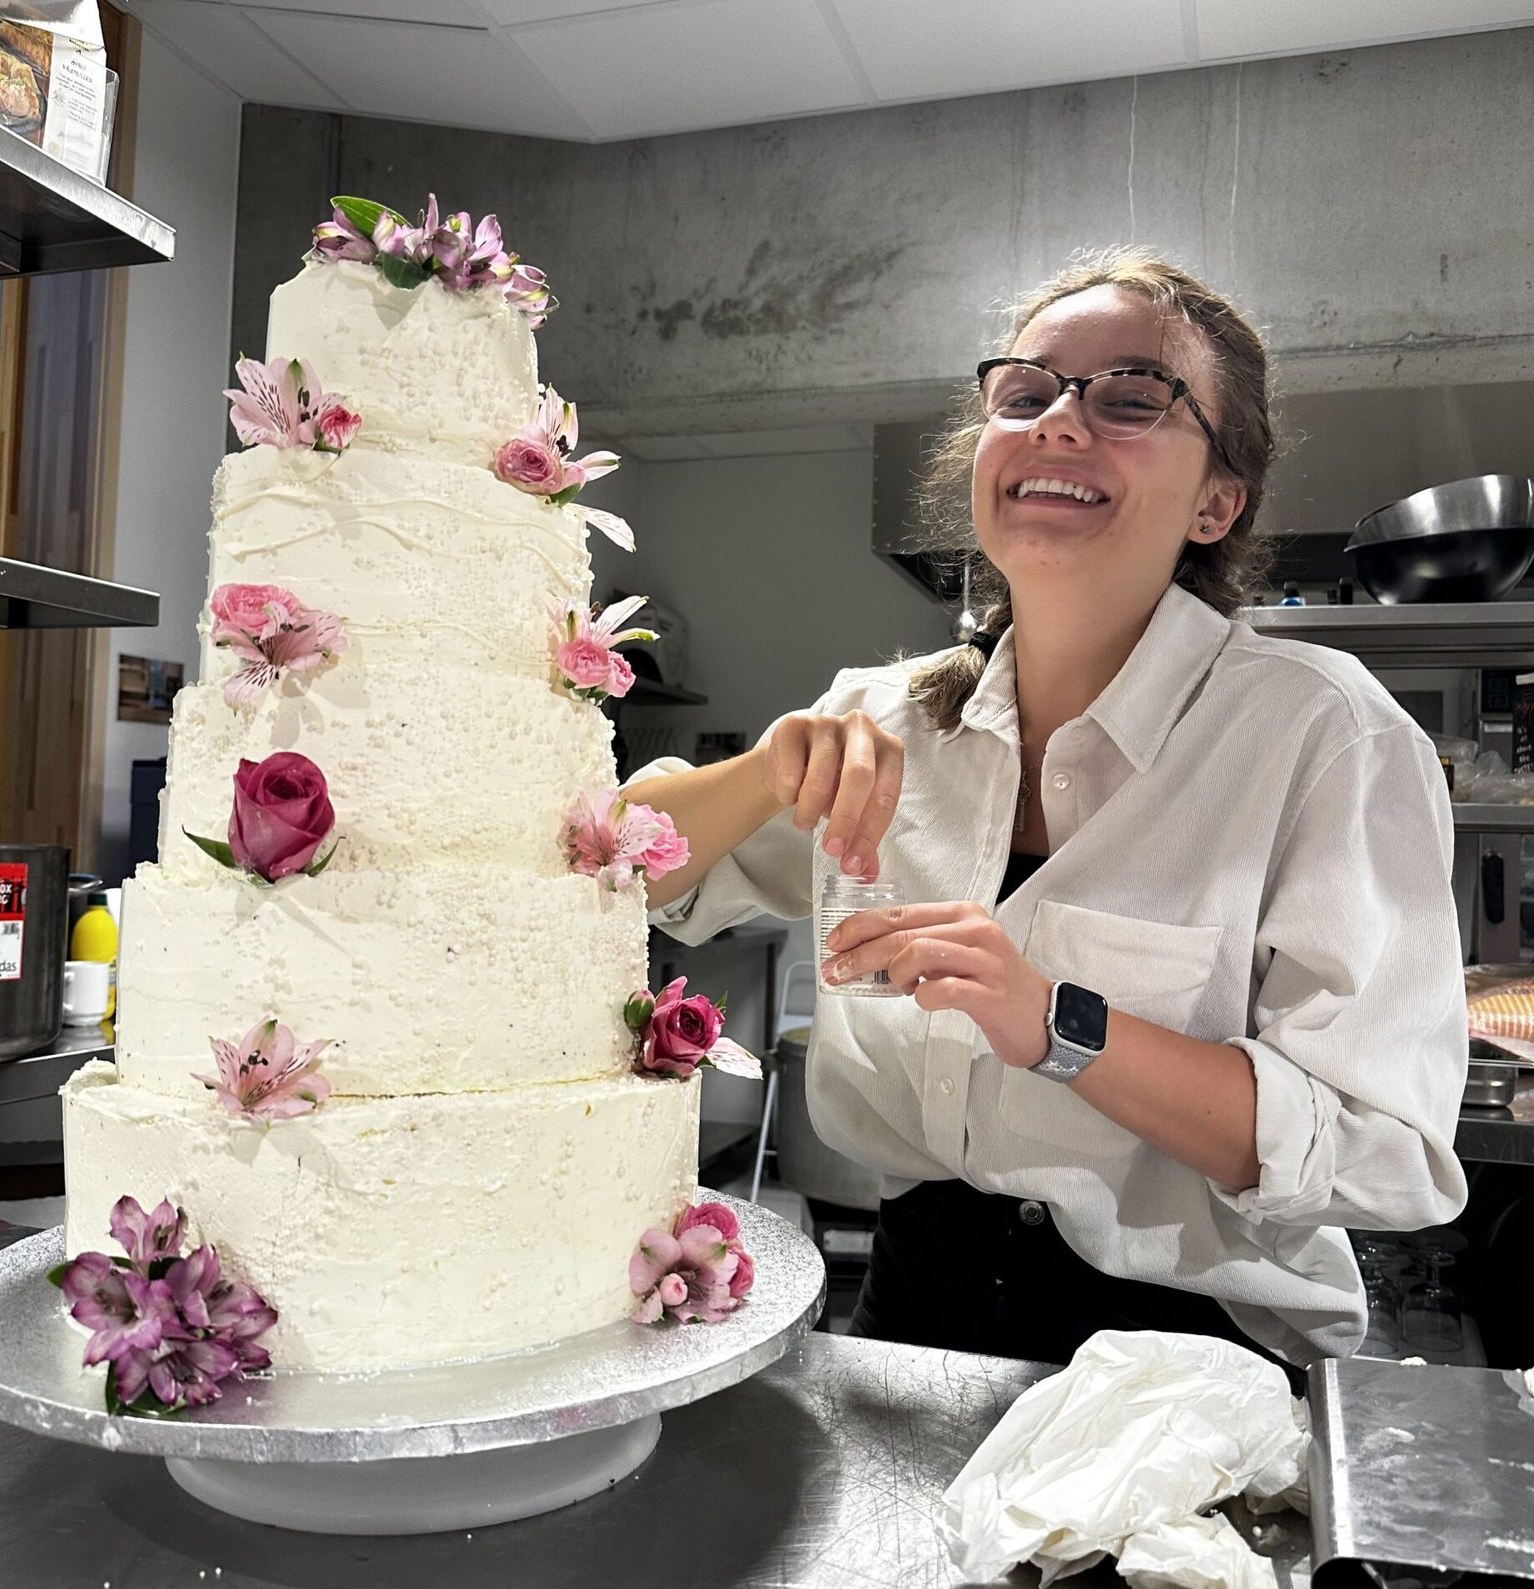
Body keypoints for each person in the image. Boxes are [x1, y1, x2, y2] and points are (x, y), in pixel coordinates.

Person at [622, 248, 1468, 1388]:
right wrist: (764, 772)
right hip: (912, 1316)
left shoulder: (1319, 738)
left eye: (1129, 399)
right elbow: (622, 868)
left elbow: (1386, 1155)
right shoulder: (884, 722)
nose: (1059, 423)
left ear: (1218, 501)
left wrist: (1058, 1022)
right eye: (1023, 395)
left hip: (1194, 1357)